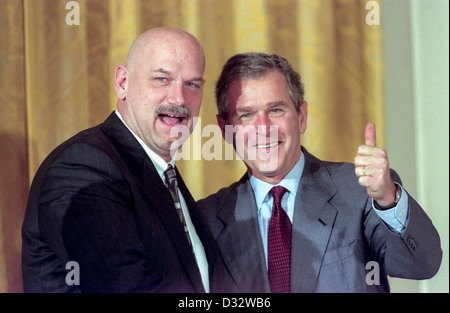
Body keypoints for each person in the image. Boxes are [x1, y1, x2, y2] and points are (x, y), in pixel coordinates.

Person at [197, 52, 442, 293]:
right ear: (225, 129)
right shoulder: (205, 219)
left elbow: (421, 265)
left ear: (301, 117)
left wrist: (388, 197)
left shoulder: (360, 189)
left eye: (276, 110)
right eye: (246, 115)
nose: (264, 128)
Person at [22, 27, 217, 293]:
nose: (179, 98)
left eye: (192, 84)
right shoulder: (83, 166)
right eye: (162, 79)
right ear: (123, 83)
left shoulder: (162, 174)